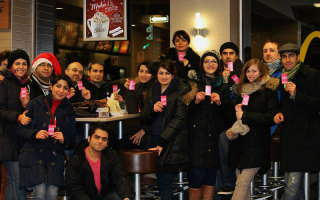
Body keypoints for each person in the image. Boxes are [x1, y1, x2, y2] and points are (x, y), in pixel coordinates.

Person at [225, 58, 279, 200]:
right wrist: (236, 111)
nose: (250, 74)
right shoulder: (242, 91)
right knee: (242, 184)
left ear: (261, 71)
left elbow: (270, 118)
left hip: (257, 144)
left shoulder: (269, 91)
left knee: (242, 184)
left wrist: (246, 115)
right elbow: (236, 117)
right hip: (240, 143)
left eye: (254, 71)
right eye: (248, 71)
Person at [17, 74, 76, 200]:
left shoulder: (69, 108)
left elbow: (72, 140)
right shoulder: (35, 103)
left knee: (52, 194)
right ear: (51, 86)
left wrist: (64, 138)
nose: (61, 91)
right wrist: (34, 134)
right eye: (58, 86)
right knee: (41, 192)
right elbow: (21, 130)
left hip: (54, 159)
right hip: (34, 155)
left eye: (65, 88)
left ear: (68, 91)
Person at [141, 59, 194, 200]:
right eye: (161, 73)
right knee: (161, 180)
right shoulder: (153, 89)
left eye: (167, 73)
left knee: (164, 181)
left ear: (173, 75)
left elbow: (179, 119)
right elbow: (144, 117)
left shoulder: (182, 90)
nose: (164, 76)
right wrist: (152, 110)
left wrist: (162, 142)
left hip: (171, 141)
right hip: (154, 137)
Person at [273, 43, 320, 200]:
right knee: (293, 186)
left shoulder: (312, 74)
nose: (287, 60)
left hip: (305, 137)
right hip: (288, 136)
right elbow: (283, 105)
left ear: (298, 57)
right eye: (284, 56)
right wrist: (279, 113)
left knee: (291, 188)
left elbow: (317, 103)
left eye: (291, 56)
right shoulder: (283, 76)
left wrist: (296, 95)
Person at [188, 51, 232, 200]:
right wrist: (195, 101)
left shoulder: (224, 86)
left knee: (211, 173)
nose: (210, 64)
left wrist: (221, 103)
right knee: (196, 173)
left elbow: (230, 116)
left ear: (218, 65)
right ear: (202, 65)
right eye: (207, 61)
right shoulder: (193, 84)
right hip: (196, 136)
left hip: (215, 136)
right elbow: (183, 110)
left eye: (213, 61)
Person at [66, 123, 132, 200]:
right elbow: (74, 188)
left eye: (104, 139)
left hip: (106, 195)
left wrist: (126, 197)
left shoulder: (111, 156)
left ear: (107, 143)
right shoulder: (76, 160)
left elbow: (120, 177)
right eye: (97, 137)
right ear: (89, 139)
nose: (100, 141)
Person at [0, 49, 31, 200]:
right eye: (17, 63)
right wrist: (18, 117)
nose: (21, 66)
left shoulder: (27, 83)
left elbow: (30, 112)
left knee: (14, 180)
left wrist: (26, 105)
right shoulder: (4, 83)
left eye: (24, 63)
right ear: (11, 66)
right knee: (16, 179)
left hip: (21, 139)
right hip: (7, 138)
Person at [217, 41, 244, 195]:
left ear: (236, 55)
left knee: (224, 139)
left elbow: (240, 92)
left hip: (239, 121)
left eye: (231, 53)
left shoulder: (243, 71)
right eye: (225, 53)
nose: (228, 56)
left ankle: (229, 182)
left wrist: (230, 77)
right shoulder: (217, 71)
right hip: (222, 119)